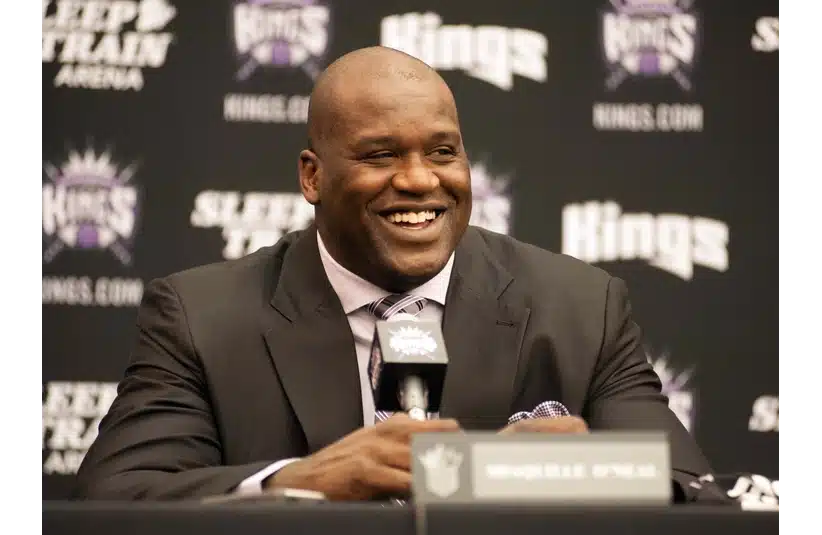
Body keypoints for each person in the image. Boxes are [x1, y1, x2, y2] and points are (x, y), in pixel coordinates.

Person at [75, 46, 712, 502]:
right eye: (380, 154)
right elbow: (116, 500)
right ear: (312, 176)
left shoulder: (581, 308)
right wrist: (294, 482)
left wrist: (561, 475)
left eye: (443, 152)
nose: (418, 179)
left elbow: (695, 494)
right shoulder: (200, 316)